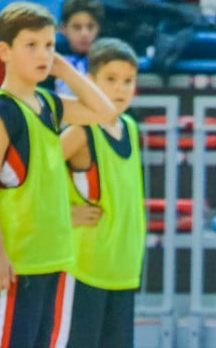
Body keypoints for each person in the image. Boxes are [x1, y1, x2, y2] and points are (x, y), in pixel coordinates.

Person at [0, 2, 117, 348]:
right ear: (4, 51)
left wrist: (65, 70)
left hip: (51, 258)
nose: (44, 54)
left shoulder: (49, 103)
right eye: (32, 45)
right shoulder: (1, 112)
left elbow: (106, 111)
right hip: (15, 265)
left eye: (50, 45)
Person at [54, 38, 145, 348]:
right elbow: (31, 177)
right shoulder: (81, 132)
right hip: (84, 267)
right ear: (89, 83)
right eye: (110, 80)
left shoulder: (131, 127)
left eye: (128, 81)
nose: (120, 89)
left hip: (123, 268)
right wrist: (62, 215)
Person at [56, 0, 105, 96]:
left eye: (90, 27)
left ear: (98, 28)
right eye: (77, 27)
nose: (84, 34)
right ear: (63, 28)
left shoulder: (106, 60)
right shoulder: (52, 59)